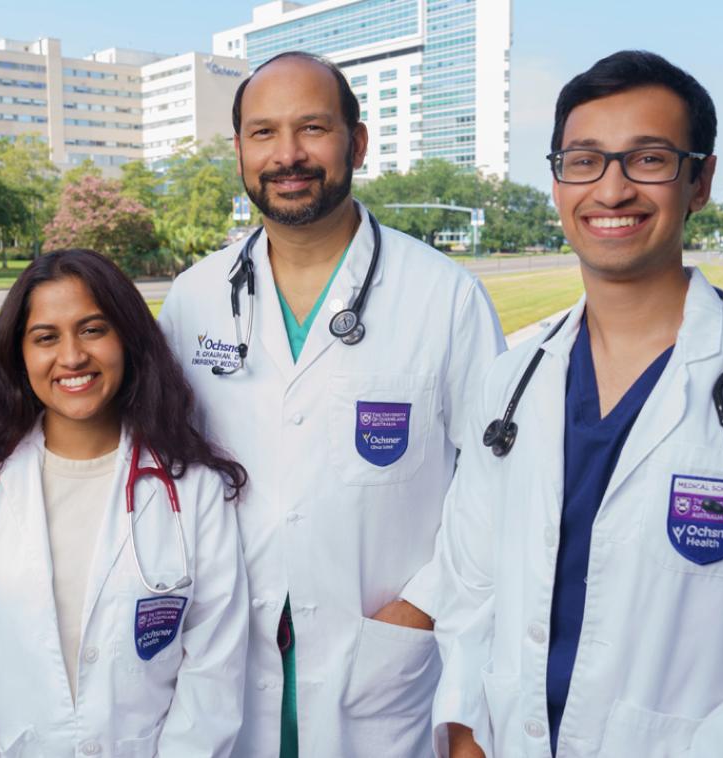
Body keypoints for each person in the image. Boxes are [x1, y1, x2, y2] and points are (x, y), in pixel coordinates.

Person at [431, 51, 723, 757]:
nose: (611, 190)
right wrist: (463, 731)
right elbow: (468, 584)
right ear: (556, 181)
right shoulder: (513, 379)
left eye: (647, 160)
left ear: (700, 180)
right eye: (583, 161)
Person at [158, 51, 506, 757]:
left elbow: (496, 483)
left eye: (312, 128)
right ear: (239, 152)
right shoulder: (193, 299)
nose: (288, 155)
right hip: (228, 657)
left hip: (382, 661)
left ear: (358, 142)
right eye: (262, 133)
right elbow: (164, 472)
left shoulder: (443, 297)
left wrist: (422, 608)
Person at [0, 249, 249, 757]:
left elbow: (213, 670)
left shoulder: (192, 488)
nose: (71, 357)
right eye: (46, 337)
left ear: (129, 341)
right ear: (18, 354)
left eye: (93, 329)